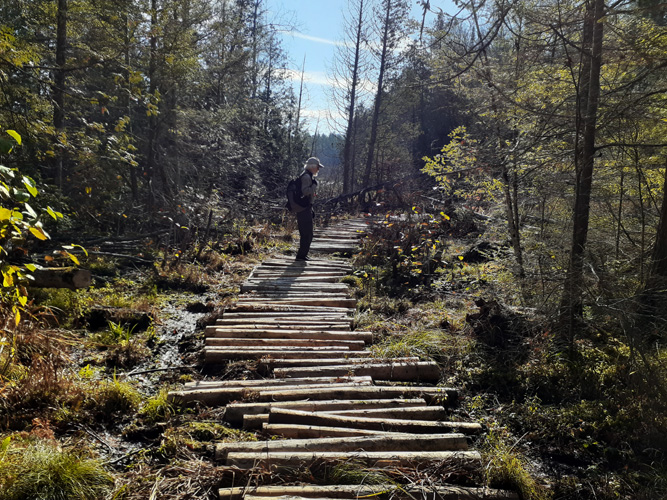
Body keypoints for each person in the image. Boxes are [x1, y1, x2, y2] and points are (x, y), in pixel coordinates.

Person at [292, 156, 324, 261]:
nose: (318, 169)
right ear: (312, 167)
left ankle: (303, 255)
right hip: (303, 209)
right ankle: (301, 256)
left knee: (306, 233)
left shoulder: (306, 175)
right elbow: (305, 191)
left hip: (304, 208)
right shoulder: (306, 177)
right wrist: (314, 186)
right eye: (317, 167)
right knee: (307, 233)